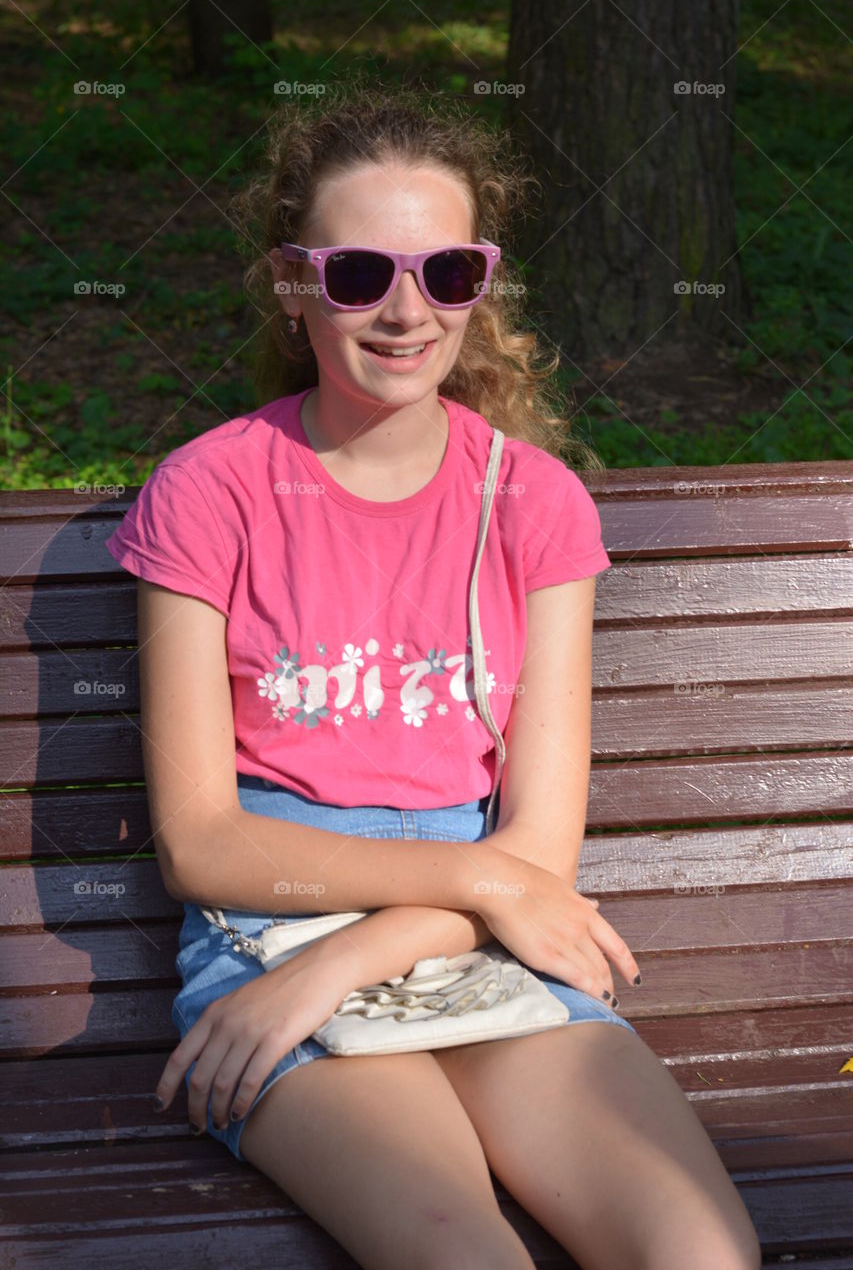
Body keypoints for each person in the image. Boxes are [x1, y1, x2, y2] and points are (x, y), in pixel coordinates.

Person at [105, 79, 761, 1270]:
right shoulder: (209, 491)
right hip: (273, 931)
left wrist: (359, 956)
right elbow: (201, 841)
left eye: (446, 273)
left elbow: (538, 857)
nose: (406, 312)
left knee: (697, 1253)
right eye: (360, 274)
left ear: (481, 283)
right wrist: (332, 952)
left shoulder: (534, 502)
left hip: (477, 931)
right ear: (296, 283)